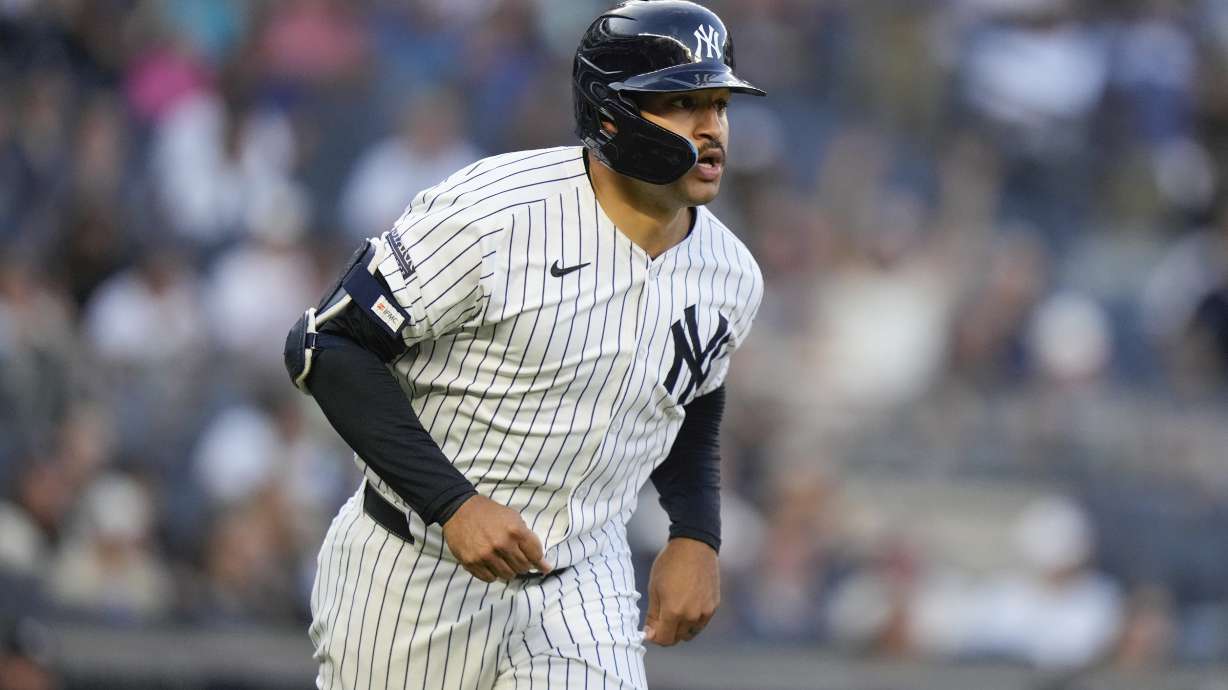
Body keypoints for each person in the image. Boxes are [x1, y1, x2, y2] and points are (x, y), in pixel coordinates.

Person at [284, 2, 765, 687]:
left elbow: (691, 397)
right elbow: (324, 348)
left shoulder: (732, 274)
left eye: (720, 104)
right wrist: (454, 504)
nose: (712, 128)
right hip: (414, 565)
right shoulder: (493, 213)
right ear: (611, 113)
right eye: (682, 103)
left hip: (580, 581)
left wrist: (695, 533)